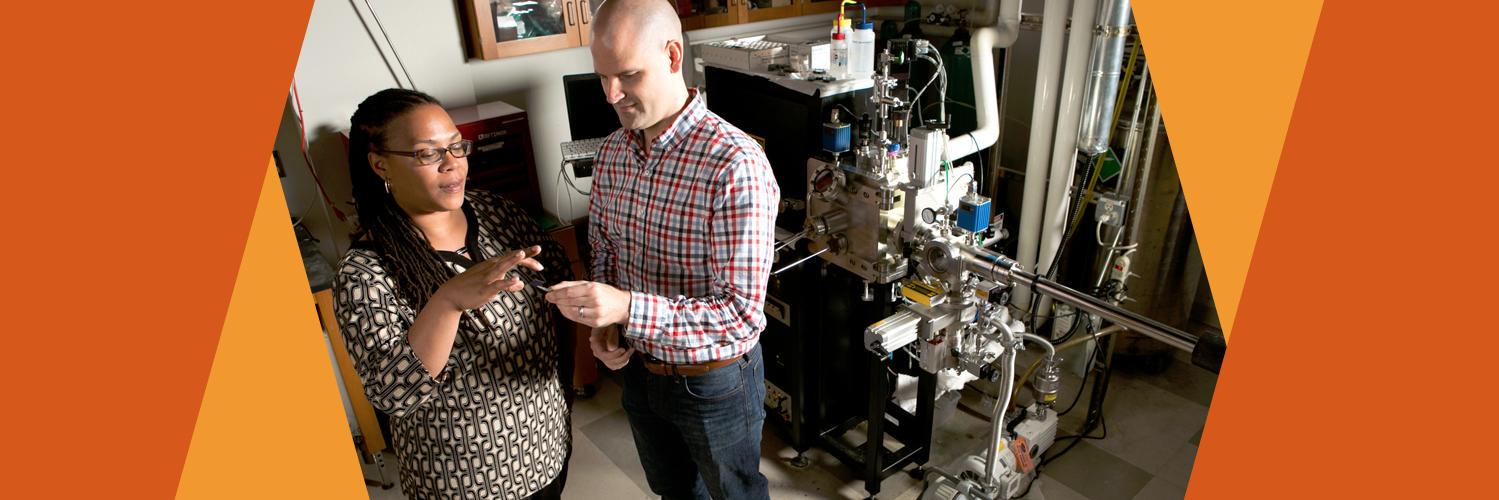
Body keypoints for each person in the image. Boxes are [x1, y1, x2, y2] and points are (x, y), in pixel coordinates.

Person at [542, 0, 779, 498]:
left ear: (673, 55)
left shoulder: (735, 165)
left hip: (712, 380)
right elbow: (604, 247)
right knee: (672, 489)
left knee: (735, 493)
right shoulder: (612, 151)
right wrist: (607, 324)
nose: (611, 94)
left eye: (627, 74)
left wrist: (627, 308)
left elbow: (739, 315)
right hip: (640, 370)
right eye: (603, 76)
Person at [333, 88, 573, 500]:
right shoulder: (365, 271)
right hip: (461, 481)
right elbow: (394, 394)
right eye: (428, 154)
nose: (452, 164)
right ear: (380, 164)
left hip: (545, 448)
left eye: (456, 146)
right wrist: (447, 302)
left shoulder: (494, 212)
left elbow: (554, 279)